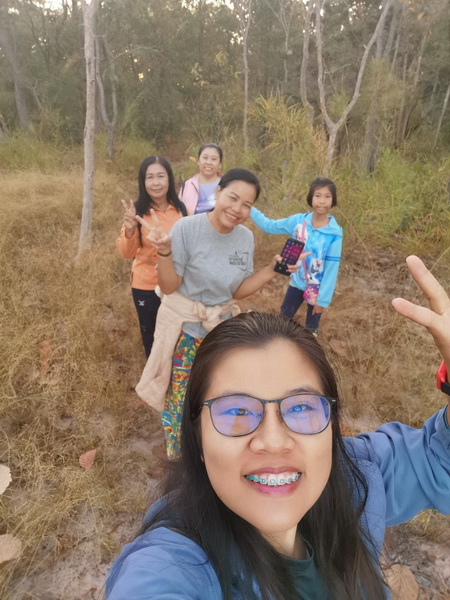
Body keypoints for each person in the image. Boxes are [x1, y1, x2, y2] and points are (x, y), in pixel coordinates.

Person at [106, 256, 450, 600]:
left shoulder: (354, 475)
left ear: (331, 426)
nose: (273, 441)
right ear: (198, 439)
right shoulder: (171, 567)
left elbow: (439, 461)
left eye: (300, 407)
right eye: (237, 411)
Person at [134, 168, 306, 459]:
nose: (238, 209)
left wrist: (271, 270)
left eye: (247, 205)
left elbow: (236, 291)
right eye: (233, 198)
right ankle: (179, 460)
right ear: (217, 192)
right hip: (185, 333)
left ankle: (210, 455)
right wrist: (164, 252)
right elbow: (170, 285)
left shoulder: (244, 238)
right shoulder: (188, 228)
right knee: (181, 400)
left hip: (221, 332)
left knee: (218, 397)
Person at [251, 177, 343, 335]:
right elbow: (269, 226)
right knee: (283, 322)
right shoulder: (298, 221)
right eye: (317, 195)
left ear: (333, 200)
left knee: (311, 331)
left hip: (317, 290)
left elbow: (331, 269)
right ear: (310, 197)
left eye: (327, 196)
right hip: (296, 284)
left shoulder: (335, 233)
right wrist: (249, 207)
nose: (322, 201)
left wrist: (323, 300)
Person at [116, 156, 186, 358]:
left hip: (176, 283)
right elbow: (126, 253)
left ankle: (176, 374)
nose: (156, 183)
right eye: (150, 177)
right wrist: (130, 230)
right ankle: (155, 375)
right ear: (143, 181)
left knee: (178, 336)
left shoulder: (181, 210)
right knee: (153, 337)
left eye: (161, 176)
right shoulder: (137, 212)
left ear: (169, 179)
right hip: (146, 285)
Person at [179, 143, 223, 214]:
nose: (209, 162)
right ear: (198, 161)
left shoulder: (226, 185)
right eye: (205, 158)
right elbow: (180, 212)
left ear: (220, 164)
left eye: (213, 159)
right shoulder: (187, 185)